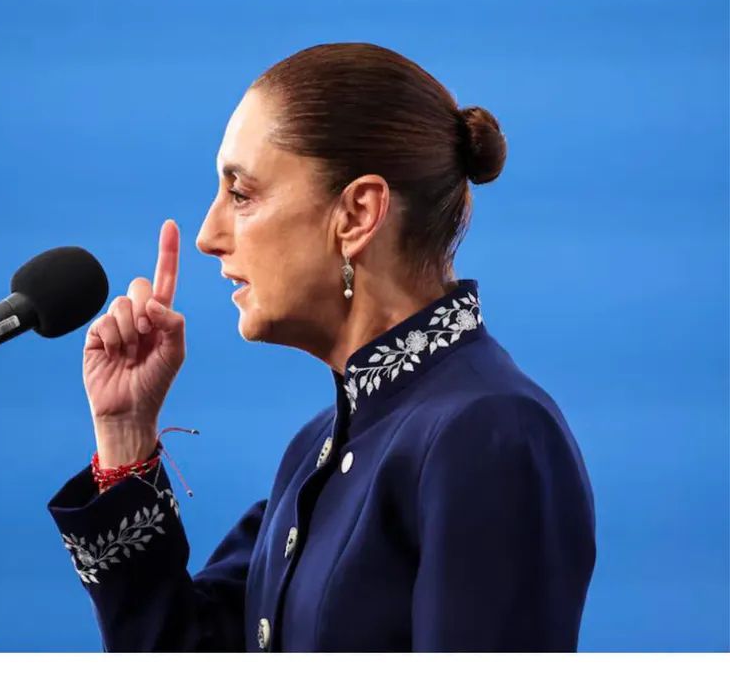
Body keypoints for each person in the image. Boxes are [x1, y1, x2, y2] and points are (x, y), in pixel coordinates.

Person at [47, 43, 596, 652]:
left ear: (358, 213)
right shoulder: (317, 450)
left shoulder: (491, 431)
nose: (208, 236)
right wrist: (125, 439)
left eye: (241, 193)